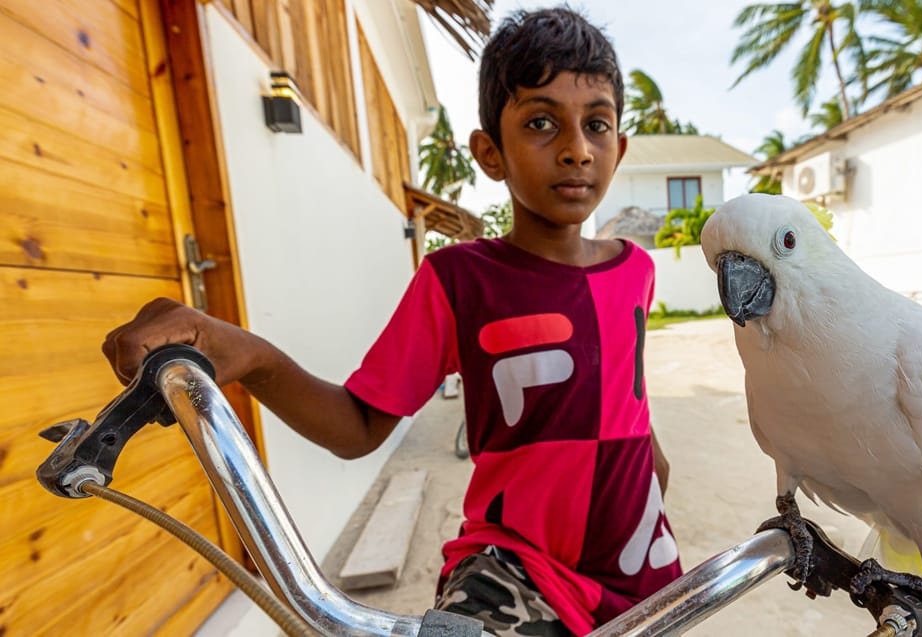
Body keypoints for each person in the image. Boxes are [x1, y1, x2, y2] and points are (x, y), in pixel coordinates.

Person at [101, 7, 682, 636]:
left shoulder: (635, 271)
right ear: (490, 153)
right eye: (541, 122)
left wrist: (647, 463)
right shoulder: (458, 281)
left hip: (636, 568)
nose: (575, 148)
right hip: (516, 572)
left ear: (618, 147)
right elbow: (358, 428)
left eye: (596, 124)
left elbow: (622, 393)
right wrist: (251, 355)